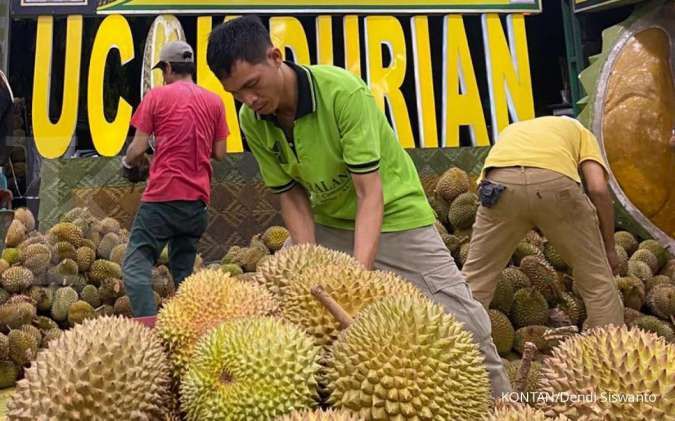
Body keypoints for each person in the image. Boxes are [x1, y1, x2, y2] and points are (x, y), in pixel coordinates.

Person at [206, 15, 510, 398]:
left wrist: (356, 282)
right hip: (329, 221)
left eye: (252, 85)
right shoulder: (253, 119)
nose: (249, 100)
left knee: (466, 324)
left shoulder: (342, 93)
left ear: (275, 56)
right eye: (237, 94)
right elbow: (292, 194)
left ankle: (505, 404)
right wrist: (308, 261)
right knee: (281, 311)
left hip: (396, 215)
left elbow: (370, 193)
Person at [462, 115, 624, 328]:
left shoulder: (513, 129)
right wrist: (609, 249)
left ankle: (456, 349)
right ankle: (606, 355)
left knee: (475, 280)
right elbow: (597, 188)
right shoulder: (581, 132)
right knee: (597, 282)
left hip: (499, 185)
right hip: (555, 184)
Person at [122, 40, 229, 317]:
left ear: (168, 68)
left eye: (163, 70)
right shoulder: (215, 101)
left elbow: (138, 147)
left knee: (136, 264)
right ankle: (191, 330)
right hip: (197, 203)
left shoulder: (157, 97)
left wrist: (127, 161)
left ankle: (148, 328)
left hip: (162, 198)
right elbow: (220, 153)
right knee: (183, 271)